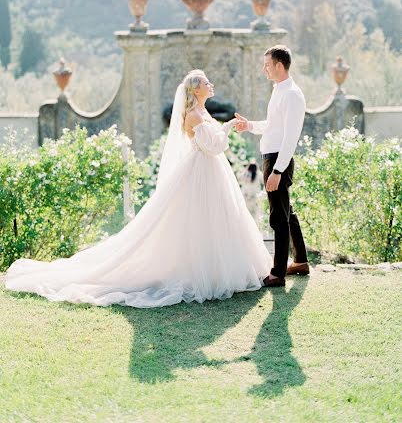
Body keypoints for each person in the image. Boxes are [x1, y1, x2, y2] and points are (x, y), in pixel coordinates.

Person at [6, 70, 271, 308]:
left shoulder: (204, 112)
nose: (210, 84)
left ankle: (217, 269)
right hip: (201, 172)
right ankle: (200, 272)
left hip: (212, 171)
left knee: (215, 219)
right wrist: (226, 128)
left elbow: (215, 143)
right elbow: (212, 146)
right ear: (195, 90)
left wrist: (225, 128)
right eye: (205, 82)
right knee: (197, 219)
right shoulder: (192, 115)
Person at [235, 45, 309, 288]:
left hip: (278, 159)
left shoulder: (292, 94)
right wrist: (250, 126)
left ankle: (277, 273)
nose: (263, 69)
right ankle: (300, 261)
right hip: (272, 155)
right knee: (286, 210)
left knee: (278, 216)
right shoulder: (279, 91)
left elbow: (290, 136)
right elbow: (273, 125)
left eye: (266, 64)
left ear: (279, 65)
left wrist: (277, 170)